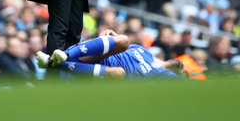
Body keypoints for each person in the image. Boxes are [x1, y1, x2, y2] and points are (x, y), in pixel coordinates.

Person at [37, 30, 186, 80]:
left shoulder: (160, 76)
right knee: (123, 40)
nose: (183, 67)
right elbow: (113, 44)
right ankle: (65, 56)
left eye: (184, 72)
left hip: (90, 75)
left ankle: (53, 62)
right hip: (87, 55)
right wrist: (107, 36)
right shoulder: (144, 51)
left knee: (118, 73)